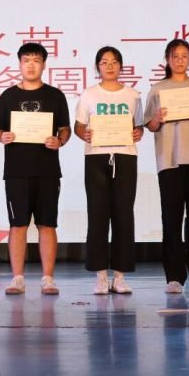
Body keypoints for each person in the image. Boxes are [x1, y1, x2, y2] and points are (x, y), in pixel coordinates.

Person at [0, 43, 71, 295]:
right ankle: (17, 278)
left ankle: (48, 278)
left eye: (36, 60)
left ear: (44, 65)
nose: (31, 65)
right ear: (19, 64)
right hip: (16, 171)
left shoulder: (55, 96)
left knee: (47, 224)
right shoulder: (8, 96)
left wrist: (59, 141)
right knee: (18, 225)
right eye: (26, 60)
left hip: (47, 170)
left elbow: (65, 129)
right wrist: (3, 137)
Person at [144, 39, 189, 294]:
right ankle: (174, 276)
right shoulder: (157, 89)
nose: (180, 60)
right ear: (167, 59)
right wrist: (156, 119)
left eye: (184, 55)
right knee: (171, 219)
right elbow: (150, 125)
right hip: (169, 160)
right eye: (175, 56)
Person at [74, 46, 143, 295]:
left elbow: (139, 127)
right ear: (98, 67)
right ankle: (101, 276)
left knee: (124, 215)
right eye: (104, 62)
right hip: (96, 157)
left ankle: (120, 276)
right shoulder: (89, 94)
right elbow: (79, 126)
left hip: (125, 157)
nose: (110, 66)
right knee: (98, 215)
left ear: (121, 66)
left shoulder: (133, 95)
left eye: (114, 62)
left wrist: (138, 132)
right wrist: (85, 134)